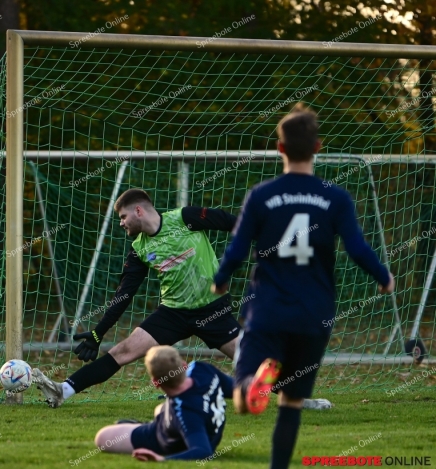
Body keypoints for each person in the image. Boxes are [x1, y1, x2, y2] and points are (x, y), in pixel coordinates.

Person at [211, 104, 394, 469]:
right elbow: (357, 248)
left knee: (241, 391)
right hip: (314, 314)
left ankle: (250, 386)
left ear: (279, 148)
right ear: (318, 148)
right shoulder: (335, 197)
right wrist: (383, 277)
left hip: (267, 309)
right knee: (291, 404)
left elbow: (237, 249)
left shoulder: (262, 194)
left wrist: (220, 279)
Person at [33, 189, 331, 411]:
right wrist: (99, 333)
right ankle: (63, 390)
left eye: (122, 217)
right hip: (172, 314)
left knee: (253, 361)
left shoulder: (186, 218)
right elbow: (125, 293)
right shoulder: (138, 249)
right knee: (123, 351)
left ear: (138, 211)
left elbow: (233, 223)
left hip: (212, 310)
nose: (121, 223)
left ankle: (300, 401)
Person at [93, 345, 231, 462]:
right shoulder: (202, 369)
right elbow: (235, 389)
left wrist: (163, 459)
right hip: (198, 427)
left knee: (102, 438)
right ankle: (145, 423)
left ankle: (143, 426)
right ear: (184, 365)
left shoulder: (183, 411)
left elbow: (203, 451)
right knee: (160, 409)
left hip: (162, 437)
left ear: (156, 383)